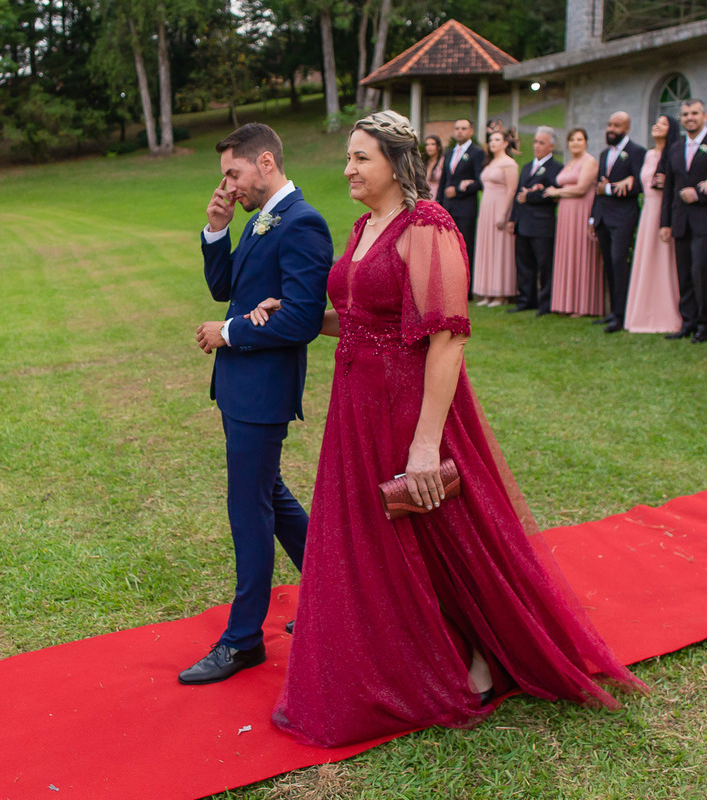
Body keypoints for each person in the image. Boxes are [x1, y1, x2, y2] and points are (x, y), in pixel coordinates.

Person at [260, 110, 645, 748]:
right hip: (356, 403)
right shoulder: (364, 226)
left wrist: (424, 441)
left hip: (411, 405)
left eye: (361, 158)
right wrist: (301, 316)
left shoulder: (427, 225)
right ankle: (407, 653)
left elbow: (445, 337)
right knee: (379, 535)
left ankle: (485, 656)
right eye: (349, 157)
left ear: (395, 162)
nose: (349, 168)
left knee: (442, 530)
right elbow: (363, 316)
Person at [179, 123, 334, 685]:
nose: (229, 185)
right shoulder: (257, 220)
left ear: (265, 162)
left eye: (233, 173)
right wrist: (217, 231)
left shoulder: (303, 223)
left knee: (249, 510)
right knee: (267, 493)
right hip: (241, 387)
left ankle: (244, 640)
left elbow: (300, 317)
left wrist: (231, 332)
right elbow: (228, 289)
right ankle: (332, 597)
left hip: (264, 389)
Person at [658, 99, 707, 343]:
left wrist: (700, 194)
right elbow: (669, 187)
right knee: (684, 273)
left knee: (701, 268)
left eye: (694, 113)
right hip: (680, 219)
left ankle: (706, 324)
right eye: (685, 114)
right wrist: (665, 223)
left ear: (705, 115)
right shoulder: (675, 147)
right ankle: (687, 322)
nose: (689, 117)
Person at [589, 112, 646, 332]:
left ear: (627, 128)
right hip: (603, 216)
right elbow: (598, 187)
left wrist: (611, 189)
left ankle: (622, 315)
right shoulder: (604, 154)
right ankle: (612, 311)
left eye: (617, 125)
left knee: (619, 262)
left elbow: (640, 185)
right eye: (610, 124)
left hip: (624, 216)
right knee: (609, 265)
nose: (611, 129)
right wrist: (593, 216)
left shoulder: (636, 152)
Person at [626, 115, 683, 333]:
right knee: (645, 258)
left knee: (663, 259)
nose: (656, 125)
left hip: (664, 208)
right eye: (656, 122)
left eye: (663, 123)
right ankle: (641, 310)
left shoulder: (675, 152)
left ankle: (665, 313)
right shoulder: (649, 155)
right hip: (647, 211)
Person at [547, 128, 603, 317]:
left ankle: (583, 305)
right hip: (565, 213)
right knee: (567, 253)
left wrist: (557, 192)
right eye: (572, 140)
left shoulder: (589, 161)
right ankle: (565, 302)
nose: (575, 143)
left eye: (579, 139)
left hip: (581, 210)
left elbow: (581, 189)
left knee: (581, 253)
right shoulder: (570, 162)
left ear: (586, 142)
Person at [507, 126, 562, 316]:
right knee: (524, 264)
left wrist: (530, 197)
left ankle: (544, 303)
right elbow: (518, 194)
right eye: (535, 142)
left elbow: (552, 195)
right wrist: (513, 219)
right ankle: (525, 300)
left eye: (541, 143)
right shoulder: (527, 166)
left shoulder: (557, 168)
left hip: (542, 223)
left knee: (544, 265)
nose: (537, 146)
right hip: (523, 222)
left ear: (551, 146)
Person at [472, 130, 520, 306]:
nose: (493, 142)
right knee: (487, 247)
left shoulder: (509, 163)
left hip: (500, 207)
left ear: (505, 143)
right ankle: (487, 292)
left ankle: (501, 293)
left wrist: (503, 213)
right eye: (491, 139)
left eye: (497, 139)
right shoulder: (490, 162)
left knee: (500, 248)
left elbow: (511, 189)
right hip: (486, 208)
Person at [438, 119, 485, 283]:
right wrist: (439, 205)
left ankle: (467, 285)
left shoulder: (477, 153)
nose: (459, 131)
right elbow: (444, 181)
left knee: (465, 247)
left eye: (463, 129)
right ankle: (449, 282)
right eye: (457, 128)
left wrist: (458, 190)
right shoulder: (449, 153)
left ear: (471, 131)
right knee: (446, 248)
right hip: (448, 207)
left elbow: (480, 182)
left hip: (466, 208)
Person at [424, 135, 444, 200]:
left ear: (438, 147)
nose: (429, 147)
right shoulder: (425, 163)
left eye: (432, 144)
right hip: (425, 198)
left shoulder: (442, 162)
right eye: (427, 145)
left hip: (438, 198)